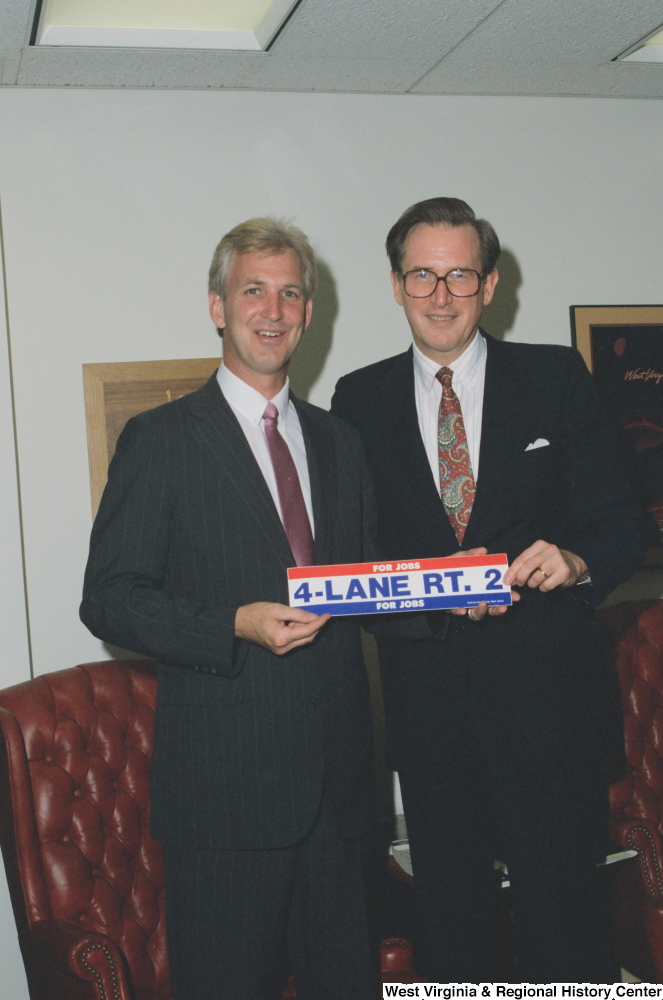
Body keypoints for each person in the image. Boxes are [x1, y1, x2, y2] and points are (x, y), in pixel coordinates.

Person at [331, 197, 649, 984]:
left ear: (491, 283)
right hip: (429, 713)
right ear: (396, 283)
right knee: (450, 922)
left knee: (564, 919)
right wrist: (427, 595)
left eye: (460, 275)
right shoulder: (356, 401)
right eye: (422, 275)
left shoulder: (552, 377)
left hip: (547, 707)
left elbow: (621, 526)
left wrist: (573, 562)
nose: (440, 295)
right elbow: (356, 563)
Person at [80, 218, 381, 1000]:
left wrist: (461, 594)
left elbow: (367, 588)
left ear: (309, 314)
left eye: (289, 293)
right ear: (218, 306)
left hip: (341, 797)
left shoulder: (341, 443)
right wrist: (231, 624)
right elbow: (110, 597)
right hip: (225, 803)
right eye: (253, 290)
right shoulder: (161, 440)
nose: (272, 309)